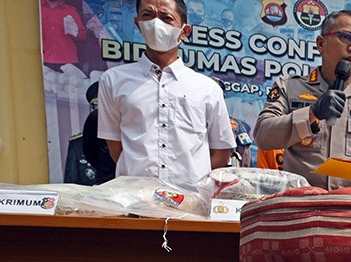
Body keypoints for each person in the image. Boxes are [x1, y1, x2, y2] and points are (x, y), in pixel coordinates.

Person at [254, 10, 351, 192]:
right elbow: (263, 136)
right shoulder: (289, 87)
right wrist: (312, 113)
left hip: (349, 205)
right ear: (321, 43)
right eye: (346, 37)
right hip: (302, 203)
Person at [98, 0, 235, 186]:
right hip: (134, 197)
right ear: (138, 24)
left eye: (166, 17)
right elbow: (116, 147)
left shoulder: (207, 88)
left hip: (190, 200)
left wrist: (193, 185)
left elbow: (221, 153)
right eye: (148, 15)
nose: (156, 24)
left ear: (184, 31)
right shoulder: (113, 81)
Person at [81, 81, 116, 185]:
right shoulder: (95, 117)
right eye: (96, 105)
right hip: (108, 179)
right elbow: (90, 151)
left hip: (136, 176)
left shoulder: (128, 114)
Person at [41, 0, 87, 66]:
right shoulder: (36, 9)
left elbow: (83, 36)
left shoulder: (71, 10)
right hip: (42, 59)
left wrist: (74, 31)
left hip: (67, 60)